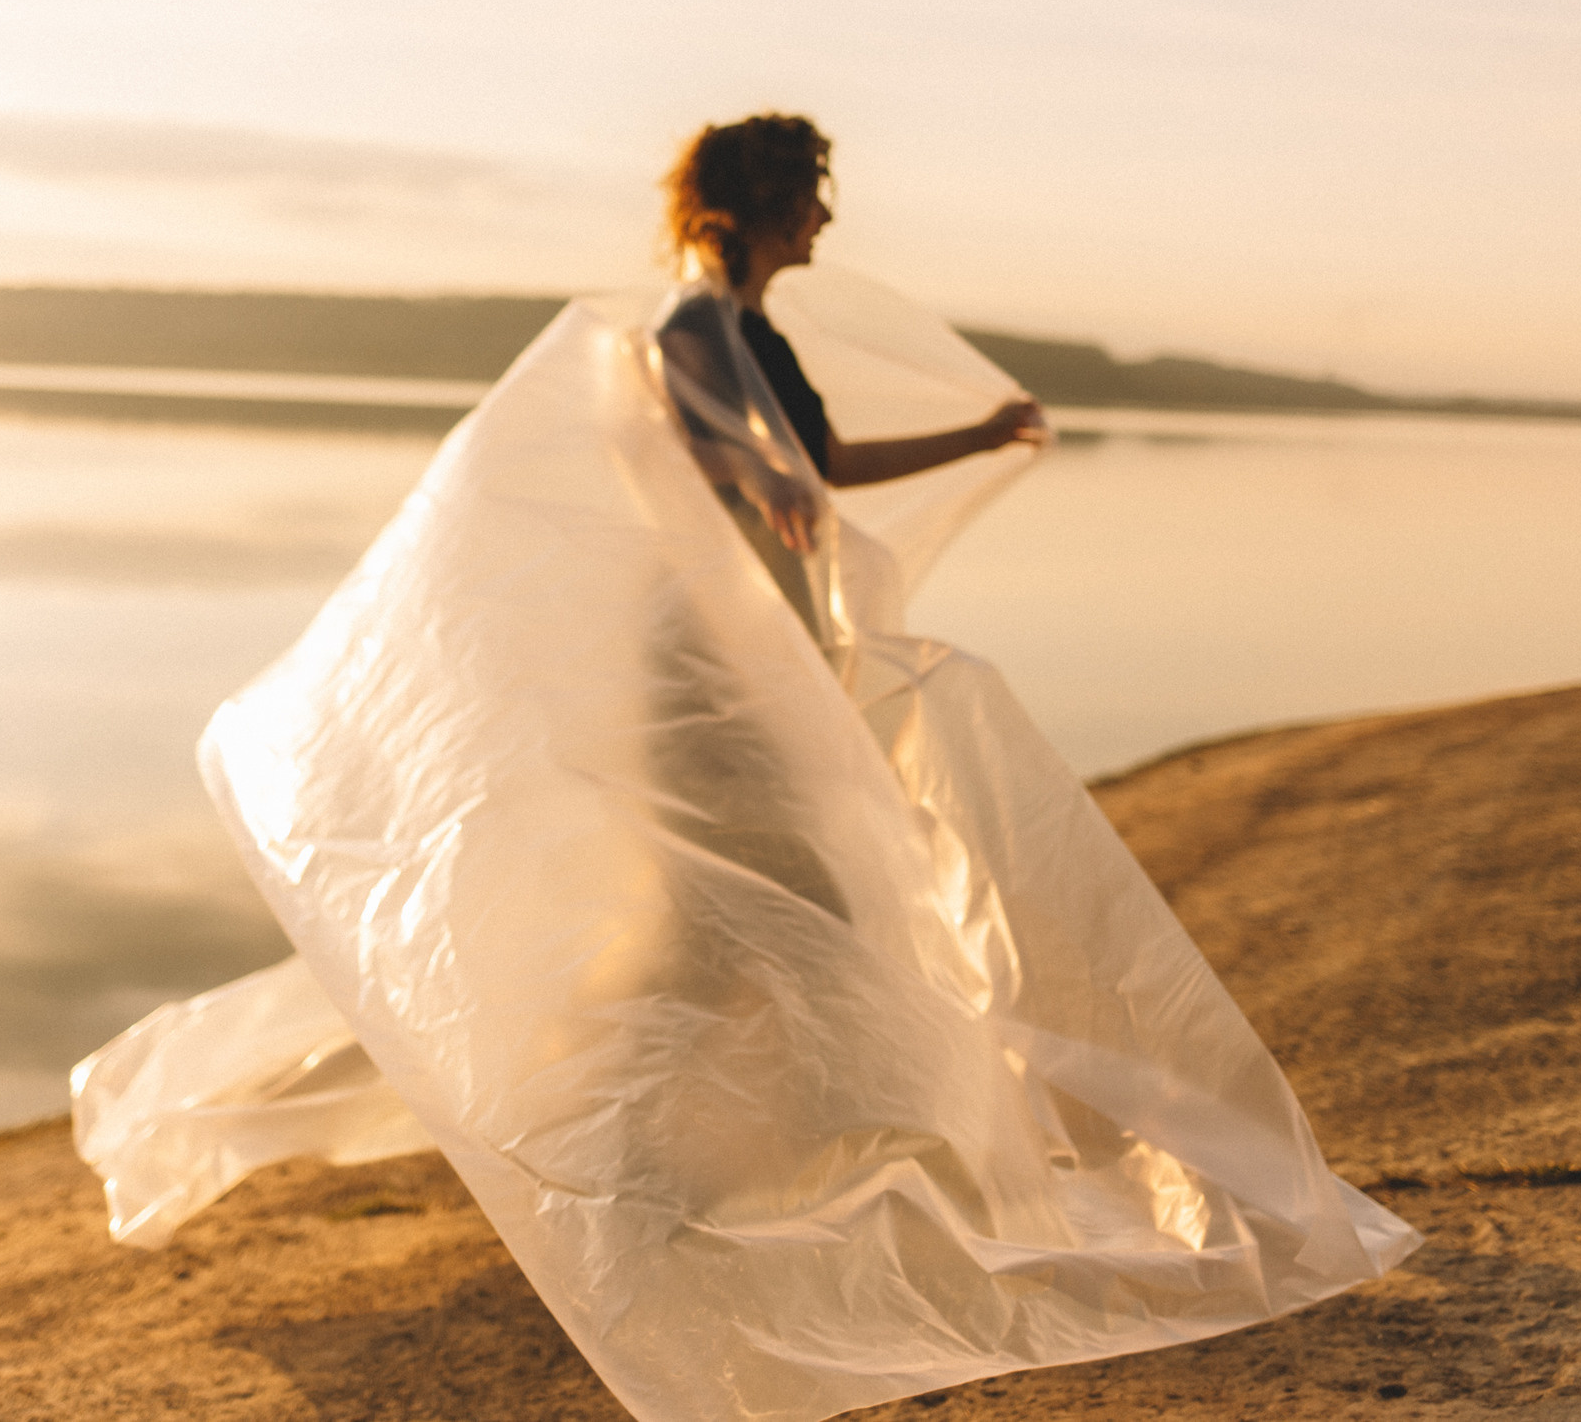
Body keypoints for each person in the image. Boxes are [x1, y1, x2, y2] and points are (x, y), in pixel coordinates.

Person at [73, 114, 1420, 1422]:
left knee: (743, 921)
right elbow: (720, 452)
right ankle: (662, 1176)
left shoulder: (753, 330)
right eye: (815, 192)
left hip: (772, 659)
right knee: (768, 912)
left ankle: (681, 1170)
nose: (829, 214)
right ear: (765, 201)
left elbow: (814, 469)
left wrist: (982, 433)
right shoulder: (687, 326)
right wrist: (754, 476)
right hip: (708, 680)